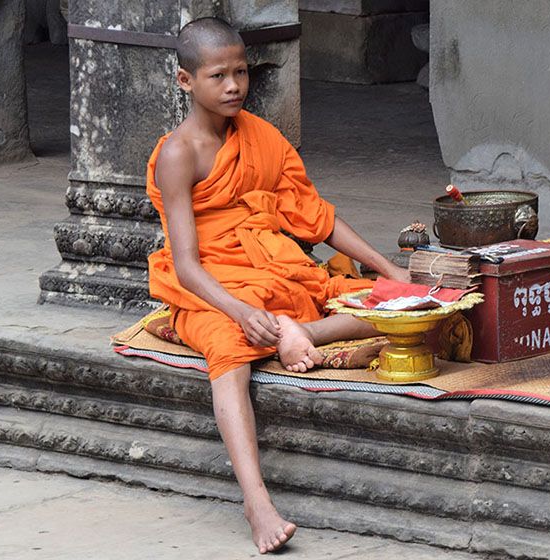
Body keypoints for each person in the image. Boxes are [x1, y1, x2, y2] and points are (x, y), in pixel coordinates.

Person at [146, 17, 410, 554]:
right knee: (230, 355)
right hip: (211, 286)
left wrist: (389, 270)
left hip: (277, 271)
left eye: (241, 72)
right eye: (218, 75)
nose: (234, 86)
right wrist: (241, 313)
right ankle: (256, 500)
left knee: (403, 304)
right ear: (184, 81)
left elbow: (316, 218)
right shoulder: (180, 153)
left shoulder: (261, 135)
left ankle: (303, 329)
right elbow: (188, 264)